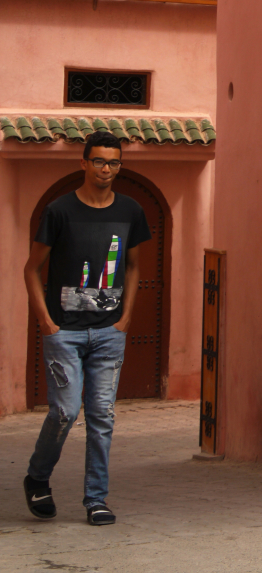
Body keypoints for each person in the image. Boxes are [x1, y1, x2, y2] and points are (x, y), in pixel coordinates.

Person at [22, 131, 150, 525]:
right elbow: (31, 269)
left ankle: (96, 499)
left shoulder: (130, 210)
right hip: (65, 332)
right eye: (99, 161)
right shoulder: (60, 211)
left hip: (109, 333)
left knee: (102, 415)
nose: (107, 169)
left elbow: (132, 267)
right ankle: (38, 478)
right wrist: (46, 322)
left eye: (114, 162)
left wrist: (125, 320)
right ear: (83, 163)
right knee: (64, 410)